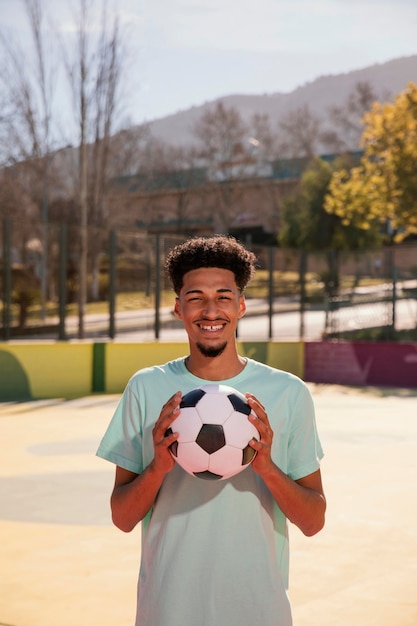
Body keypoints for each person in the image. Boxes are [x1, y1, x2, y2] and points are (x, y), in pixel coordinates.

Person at [96, 235, 326, 626]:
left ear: (240, 305)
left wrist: (267, 467)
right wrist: (157, 469)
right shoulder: (146, 387)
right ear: (178, 307)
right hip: (167, 608)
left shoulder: (289, 392)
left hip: (257, 608)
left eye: (223, 296)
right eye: (196, 296)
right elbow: (122, 517)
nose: (210, 309)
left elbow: (313, 520)